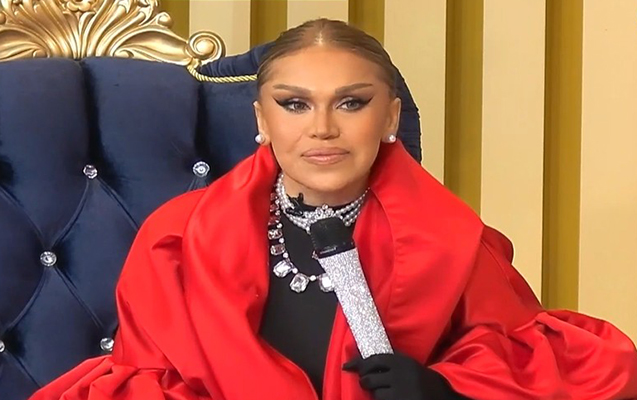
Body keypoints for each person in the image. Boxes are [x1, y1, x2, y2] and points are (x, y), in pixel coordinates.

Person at [31, 18, 637, 400]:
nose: (322, 128)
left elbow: (550, 372)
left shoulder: (454, 240)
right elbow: (146, 384)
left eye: (351, 103)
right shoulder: (176, 239)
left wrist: (446, 391)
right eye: (294, 104)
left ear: (390, 117)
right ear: (261, 119)